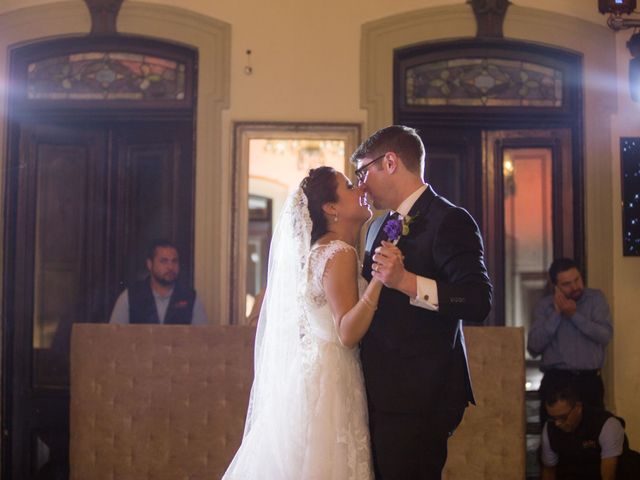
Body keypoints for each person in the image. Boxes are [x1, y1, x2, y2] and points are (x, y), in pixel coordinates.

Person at [223, 166, 395, 479]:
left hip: (313, 373)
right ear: (331, 208)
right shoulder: (339, 252)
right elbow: (347, 332)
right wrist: (380, 280)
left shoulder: (318, 251)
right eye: (348, 186)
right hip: (333, 377)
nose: (361, 189)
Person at [351, 125, 492, 479]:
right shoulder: (377, 226)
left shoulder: (451, 220)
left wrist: (406, 282)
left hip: (420, 396)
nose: (362, 184)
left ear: (391, 162)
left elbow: (477, 300)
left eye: (364, 171)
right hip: (378, 392)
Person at [528, 258, 612, 421]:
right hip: (557, 380)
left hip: (589, 382)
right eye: (567, 284)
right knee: (555, 437)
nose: (575, 287)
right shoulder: (545, 306)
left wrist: (574, 315)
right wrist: (557, 314)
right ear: (555, 286)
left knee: (593, 437)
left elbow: (605, 336)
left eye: (577, 280)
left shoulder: (596, 299)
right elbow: (533, 347)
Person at [540, 377, 639, 480]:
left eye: (563, 417)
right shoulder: (549, 428)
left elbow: (608, 476)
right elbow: (549, 472)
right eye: (552, 418)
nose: (557, 423)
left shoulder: (607, 425)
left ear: (578, 407)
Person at [109, 239, 208, 325]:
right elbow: (114, 337)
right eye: (164, 261)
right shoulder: (130, 297)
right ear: (149, 264)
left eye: (174, 261)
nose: (170, 267)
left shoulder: (191, 298)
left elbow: (202, 340)